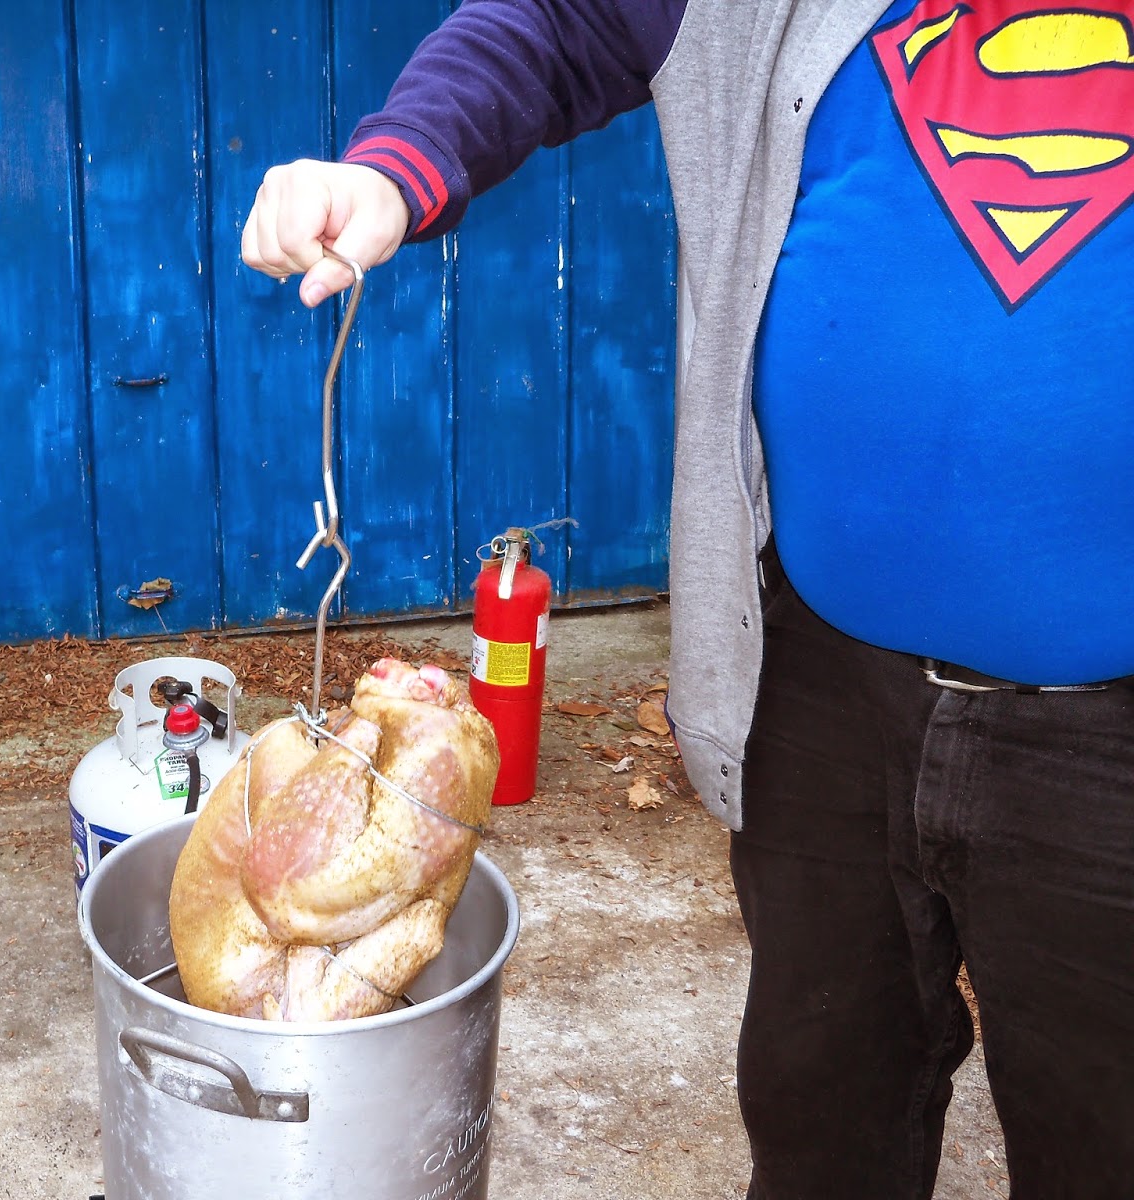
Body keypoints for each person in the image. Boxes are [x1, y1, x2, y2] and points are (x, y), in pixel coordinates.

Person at [239, 2, 1134, 1197]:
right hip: (821, 685)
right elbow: (557, 24)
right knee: (822, 1112)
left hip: (1109, 743)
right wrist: (393, 168)